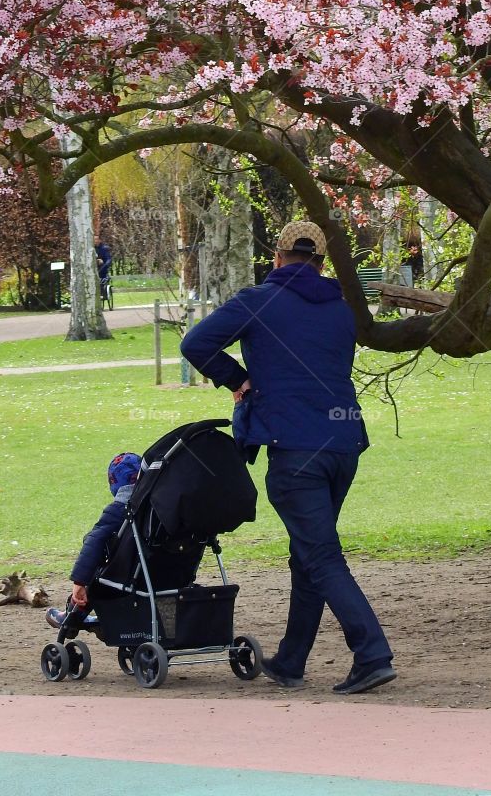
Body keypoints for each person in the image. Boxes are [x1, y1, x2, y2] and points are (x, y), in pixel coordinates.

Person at [180, 220, 395, 695]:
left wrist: (237, 379)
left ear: (276, 258)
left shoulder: (257, 302)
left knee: (320, 555)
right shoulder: (342, 308)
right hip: (343, 446)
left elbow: (194, 344)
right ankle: (292, 660)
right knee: (309, 554)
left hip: (294, 452)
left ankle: (372, 653)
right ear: (320, 263)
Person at [45, 451, 141, 630]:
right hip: (161, 574)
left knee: (98, 576)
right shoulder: (158, 510)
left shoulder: (119, 510)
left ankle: (73, 617)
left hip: (125, 575)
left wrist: (79, 581)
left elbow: (94, 543)